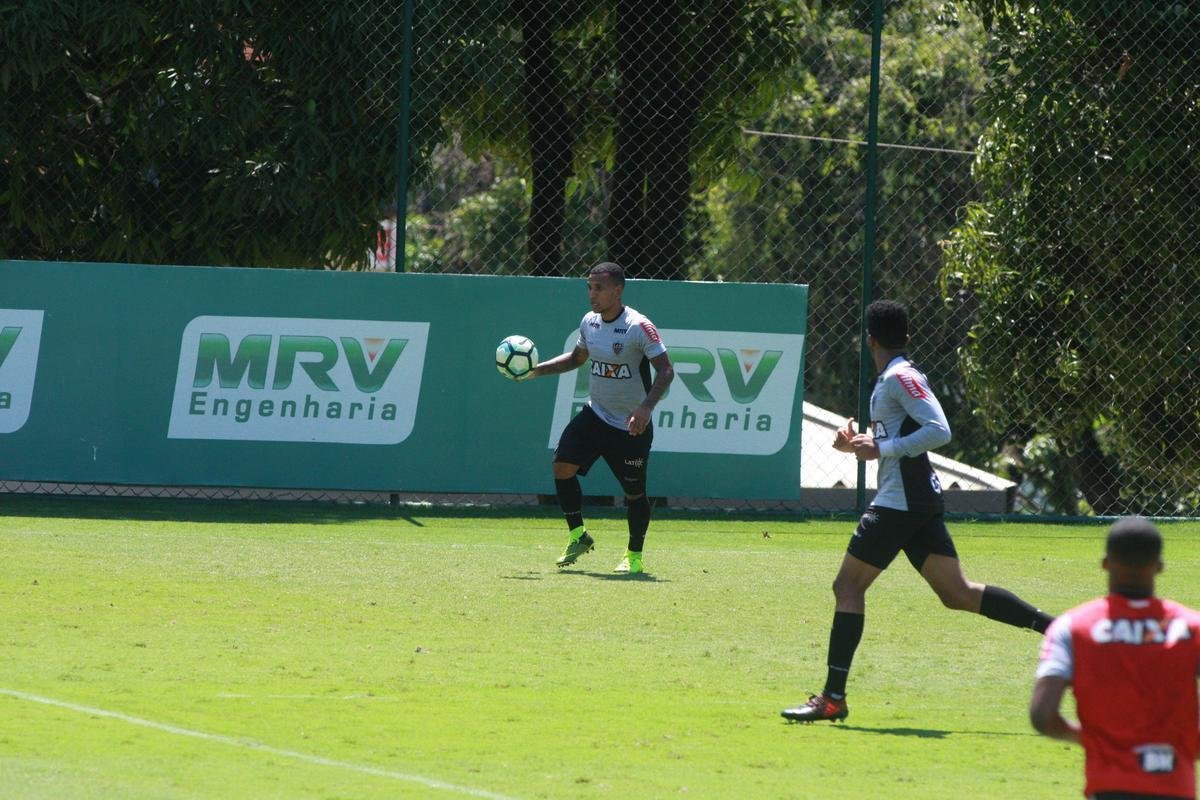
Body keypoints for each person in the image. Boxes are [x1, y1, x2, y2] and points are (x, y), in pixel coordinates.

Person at [782, 299, 1053, 723]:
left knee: (847, 588)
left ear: (869, 340)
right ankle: (1056, 630)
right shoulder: (891, 378)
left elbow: (939, 430)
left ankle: (833, 698)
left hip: (899, 502)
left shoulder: (900, 377)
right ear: (905, 338)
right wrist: (858, 443)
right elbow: (896, 436)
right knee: (957, 594)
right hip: (914, 501)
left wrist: (882, 447)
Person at [1031, 518, 1200, 800]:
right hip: (1174, 783)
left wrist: (1089, 738)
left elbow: (1042, 716)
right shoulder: (1192, 628)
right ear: (1159, 566)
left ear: (1106, 563)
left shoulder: (1072, 627)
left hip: (1108, 784)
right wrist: (1186, 745)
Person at [523, 262, 674, 574]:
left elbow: (666, 371)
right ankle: (578, 535)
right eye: (589, 287)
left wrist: (645, 409)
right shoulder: (589, 323)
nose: (592, 294)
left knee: (634, 494)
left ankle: (634, 556)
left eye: (599, 288)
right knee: (561, 467)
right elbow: (576, 359)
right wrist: (536, 370)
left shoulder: (638, 326)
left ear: (617, 291)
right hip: (595, 415)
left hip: (631, 427)